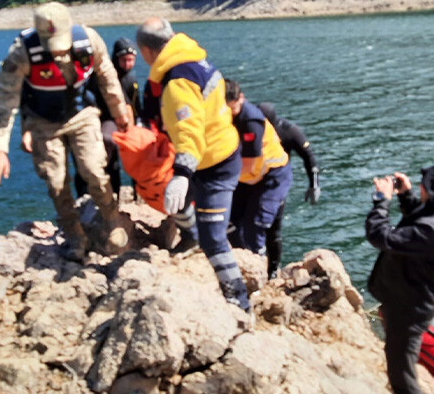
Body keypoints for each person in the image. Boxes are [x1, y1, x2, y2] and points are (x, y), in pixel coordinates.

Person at [0, 1, 130, 261]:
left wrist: (119, 112)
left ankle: (112, 219)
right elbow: (2, 100)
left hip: (81, 114)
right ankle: (75, 235)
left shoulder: (88, 40)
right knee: (55, 181)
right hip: (43, 121)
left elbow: (106, 75)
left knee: (94, 170)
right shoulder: (22, 53)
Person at [136, 17, 250, 312]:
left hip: (214, 163)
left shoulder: (177, 83)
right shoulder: (194, 60)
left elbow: (190, 133)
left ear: (147, 51)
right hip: (214, 150)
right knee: (174, 202)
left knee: (215, 240)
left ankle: (238, 301)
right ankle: (192, 235)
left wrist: (182, 173)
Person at [365, 163, 434, 394]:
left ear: (432, 191)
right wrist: (406, 196)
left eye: (424, 185)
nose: (420, 186)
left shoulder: (433, 231)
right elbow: (417, 226)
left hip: (408, 310)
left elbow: (380, 236)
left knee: (403, 379)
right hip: (409, 301)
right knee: (399, 370)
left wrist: (381, 200)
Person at [224, 81, 292, 276]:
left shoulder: (250, 121)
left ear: (240, 98)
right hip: (248, 177)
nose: (230, 112)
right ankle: (239, 262)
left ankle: (260, 273)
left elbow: (250, 163)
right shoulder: (223, 115)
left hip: (271, 175)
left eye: (233, 108)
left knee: (256, 226)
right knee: (231, 221)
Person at [254, 101, 321, 275]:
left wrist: (314, 184)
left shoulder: (288, 130)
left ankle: (273, 269)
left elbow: (309, 155)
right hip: (251, 181)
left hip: (276, 183)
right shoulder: (250, 127)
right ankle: (252, 259)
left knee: (273, 229)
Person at [73, 36, 142, 197]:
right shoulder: (103, 76)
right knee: (105, 147)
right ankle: (90, 195)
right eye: (124, 60)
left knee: (135, 154)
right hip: (101, 118)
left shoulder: (131, 80)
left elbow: (135, 107)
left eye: (131, 60)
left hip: (122, 120)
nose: (127, 64)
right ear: (115, 58)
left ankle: (136, 193)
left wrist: (138, 125)